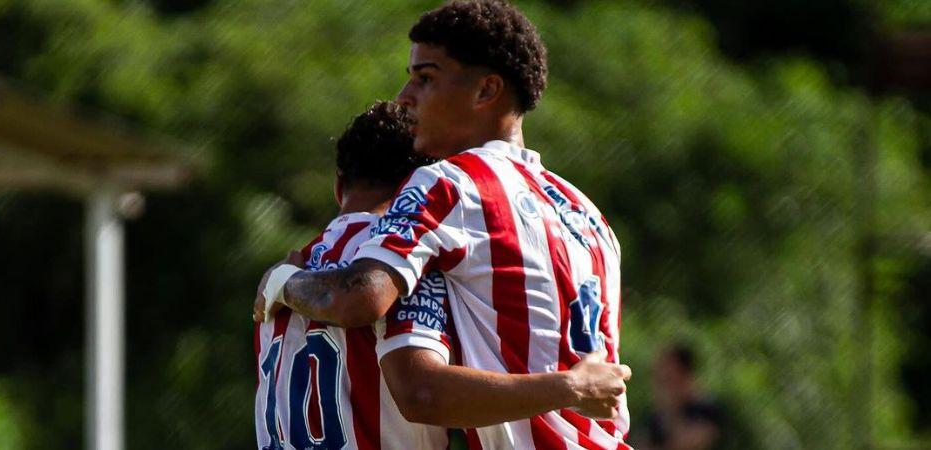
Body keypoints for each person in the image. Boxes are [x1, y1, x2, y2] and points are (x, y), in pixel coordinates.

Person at [256, 1, 632, 447]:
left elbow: (364, 299)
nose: (405, 96)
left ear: (485, 91)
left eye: (425, 78)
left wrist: (283, 281)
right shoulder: (590, 215)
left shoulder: (448, 183)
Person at [639, 344, 724, 450]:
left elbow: (686, 444)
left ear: (685, 373)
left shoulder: (706, 408)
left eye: (669, 375)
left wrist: (672, 410)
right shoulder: (658, 414)